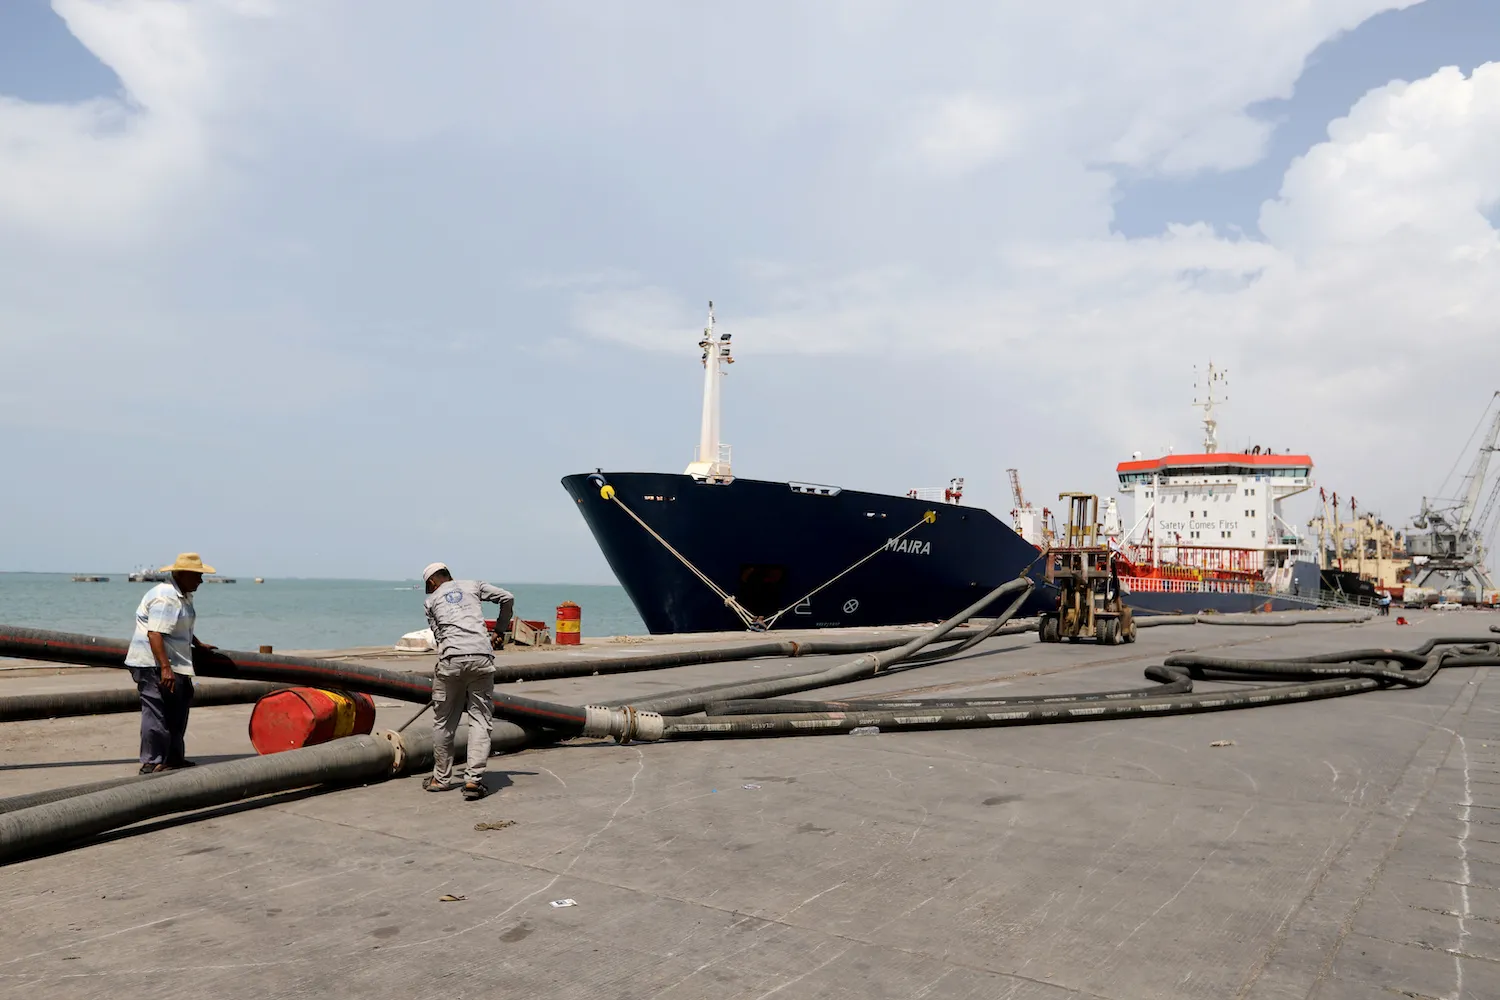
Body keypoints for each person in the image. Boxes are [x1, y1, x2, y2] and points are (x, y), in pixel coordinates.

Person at [420, 562, 515, 800]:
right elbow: (507, 597)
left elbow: (440, 635)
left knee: (444, 721)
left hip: (450, 661)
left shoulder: (430, 602)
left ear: (432, 582)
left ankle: (441, 779)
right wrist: (499, 631)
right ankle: (473, 781)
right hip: (481, 658)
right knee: (480, 719)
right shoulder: (474, 585)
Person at [124, 553, 218, 774]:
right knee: (156, 712)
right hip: (154, 664)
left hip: (174, 662)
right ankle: (152, 762)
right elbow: (155, 633)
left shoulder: (182, 594)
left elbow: (177, 626)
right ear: (183, 574)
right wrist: (165, 668)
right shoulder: (166, 597)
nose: (201, 581)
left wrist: (197, 643)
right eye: (197, 576)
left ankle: (173, 758)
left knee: (178, 709)